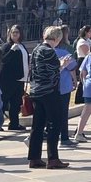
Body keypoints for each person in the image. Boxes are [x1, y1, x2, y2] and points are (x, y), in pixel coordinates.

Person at [26, 26, 70, 169]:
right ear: (57, 39)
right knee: (54, 124)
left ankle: (34, 157)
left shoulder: (37, 49)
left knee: (37, 125)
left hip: (36, 91)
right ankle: (53, 159)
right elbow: (53, 72)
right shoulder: (50, 52)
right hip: (49, 92)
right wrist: (62, 65)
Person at [0, 23, 28, 131]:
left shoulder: (22, 46)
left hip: (20, 79)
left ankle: (14, 123)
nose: (15, 34)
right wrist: (12, 50)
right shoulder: (7, 46)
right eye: (13, 32)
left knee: (16, 103)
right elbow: (3, 61)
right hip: (8, 80)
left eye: (17, 32)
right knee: (3, 102)